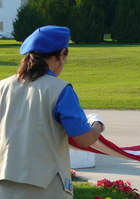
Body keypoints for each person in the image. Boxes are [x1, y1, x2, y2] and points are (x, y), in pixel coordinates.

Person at [0, 25, 105, 199]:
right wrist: (97, 125)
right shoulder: (60, 89)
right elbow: (84, 139)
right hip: (46, 187)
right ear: (62, 53)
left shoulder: (3, 86)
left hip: (4, 182)